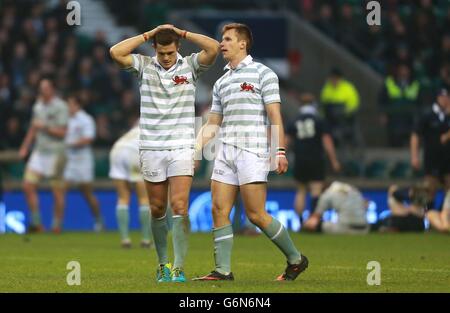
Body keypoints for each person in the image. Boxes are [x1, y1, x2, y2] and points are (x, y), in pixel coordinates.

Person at [193, 23, 308, 282]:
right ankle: (222, 270)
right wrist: (195, 149)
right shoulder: (221, 82)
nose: (222, 44)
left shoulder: (263, 74)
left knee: (256, 214)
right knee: (218, 209)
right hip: (225, 151)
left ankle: (296, 259)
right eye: (222, 39)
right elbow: (213, 124)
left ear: (243, 43)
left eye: (227, 39)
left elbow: (275, 115)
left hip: (253, 149)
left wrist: (280, 151)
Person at [110, 24, 220, 282]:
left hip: (182, 146)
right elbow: (115, 52)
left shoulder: (191, 66)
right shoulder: (144, 65)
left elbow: (213, 48)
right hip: (151, 146)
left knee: (179, 205)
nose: (167, 58)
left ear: (178, 48)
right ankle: (163, 264)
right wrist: (150, 33)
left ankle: (179, 266)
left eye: (170, 52)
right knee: (158, 208)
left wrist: (181, 32)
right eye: (162, 53)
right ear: (155, 49)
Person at [18, 78, 68, 233]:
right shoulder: (38, 106)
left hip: (56, 153)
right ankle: (37, 223)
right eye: (41, 88)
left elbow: (63, 133)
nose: (43, 91)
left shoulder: (61, 106)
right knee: (27, 185)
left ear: (52, 89)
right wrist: (25, 146)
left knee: (57, 191)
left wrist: (45, 127)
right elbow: (33, 128)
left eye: (46, 88)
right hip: (39, 152)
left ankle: (56, 224)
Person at [286, 93, 340, 225]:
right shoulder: (319, 120)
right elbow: (327, 140)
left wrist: (278, 156)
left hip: (300, 158)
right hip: (316, 158)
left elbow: (286, 140)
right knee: (316, 189)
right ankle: (313, 222)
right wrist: (334, 160)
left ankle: (299, 221)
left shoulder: (295, 120)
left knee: (301, 191)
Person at [410, 87, 450, 232]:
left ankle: (443, 220)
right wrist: (414, 156)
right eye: (442, 97)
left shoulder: (448, 116)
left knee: (449, 192)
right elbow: (415, 135)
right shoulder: (427, 115)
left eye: (447, 97)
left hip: (447, 160)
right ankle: (429, 223)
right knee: (429, 191)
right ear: (437, 98)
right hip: (432, 159)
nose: (445, 100)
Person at [64, 94, 104, 232]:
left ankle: (98, 221)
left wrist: (70, 143)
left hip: (83, 161)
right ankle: (57, 224)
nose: (68, 107)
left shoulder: (86, 119)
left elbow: (88, 138)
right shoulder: (65, 119)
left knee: (87, 193)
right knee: (61, 190)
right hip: (68, 161)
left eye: (70, 104)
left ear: (77, 105)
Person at [109, 124, 153, 248]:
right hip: (134, 153)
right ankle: (145, 239)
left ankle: (125, 239)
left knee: (123, 197)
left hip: (116, 151)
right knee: (144, 199)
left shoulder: (136, 128)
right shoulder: (155, 128)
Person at [303, 181, 369, 234]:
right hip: (364, 229)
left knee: (316, 225)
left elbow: (314, 219)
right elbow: (366, 204)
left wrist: (306, 224)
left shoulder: (327, 193)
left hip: (344, 228)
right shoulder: (352, 189)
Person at [380, 64, 421, 146]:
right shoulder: (389, 82)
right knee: (394, 139)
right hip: (394, 116)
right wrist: (383, 113)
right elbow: (381, 99)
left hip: (409, 117)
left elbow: (420, 101)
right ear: (397, 71)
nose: (404, 72)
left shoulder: (415, 84)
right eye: (402, 70)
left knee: (410, 139)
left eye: (406, 70)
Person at [320, 68, 360, 147]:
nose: (334, 80)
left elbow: (354, 102)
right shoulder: (327, 88)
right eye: (332, 78)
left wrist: (346, 111)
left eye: (335, 78)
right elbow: (323, 103)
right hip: (330, 118)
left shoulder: (348, 88)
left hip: (344, 117)